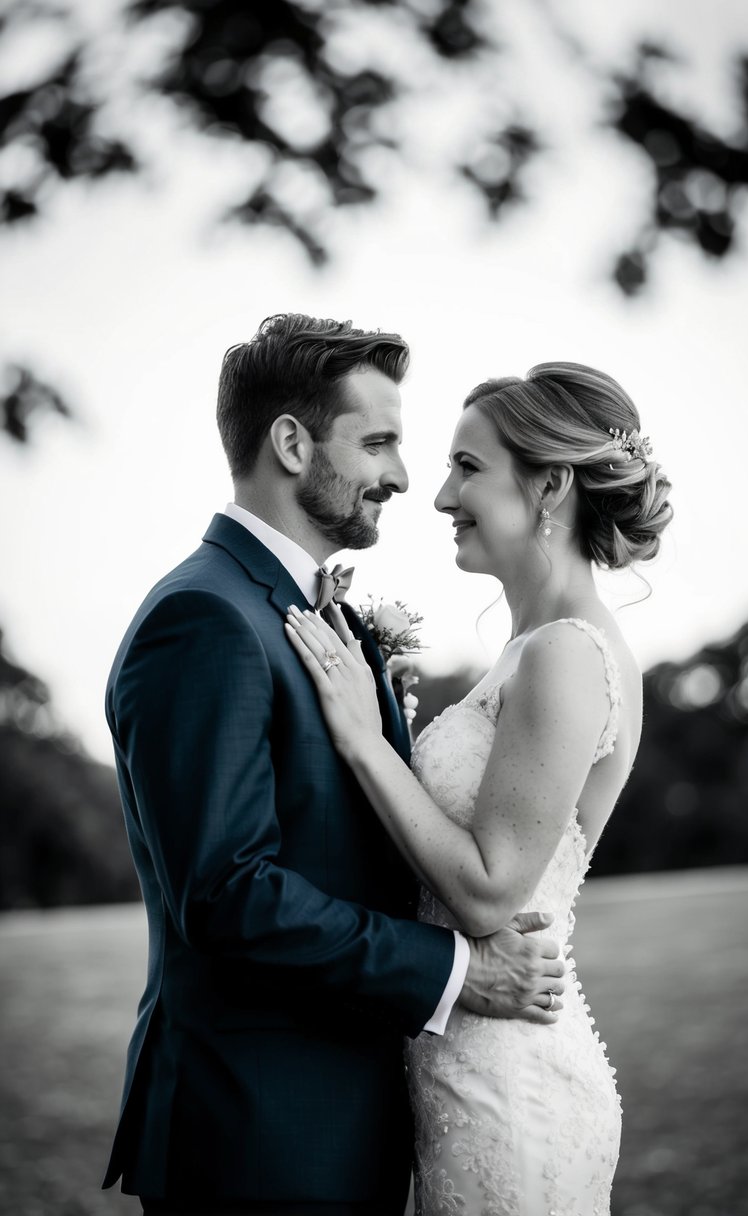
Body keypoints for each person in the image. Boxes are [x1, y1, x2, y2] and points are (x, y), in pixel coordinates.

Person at [102, 314, 566, 1216]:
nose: (401, 477)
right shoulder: (204, 619)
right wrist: (459, 971)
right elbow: (228, 893)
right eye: (380, 442)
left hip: (332, 1120)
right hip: (259, 1134)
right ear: (289, 442)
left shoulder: (305, 615)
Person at [287, 361, 674, 1214]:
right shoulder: (527, 649)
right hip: (464, 1060)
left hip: (512, 1087)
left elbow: (493, 893)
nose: (437, 496)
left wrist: (362, 738)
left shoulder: (567, 653)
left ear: (549, 485)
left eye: (467, 466)